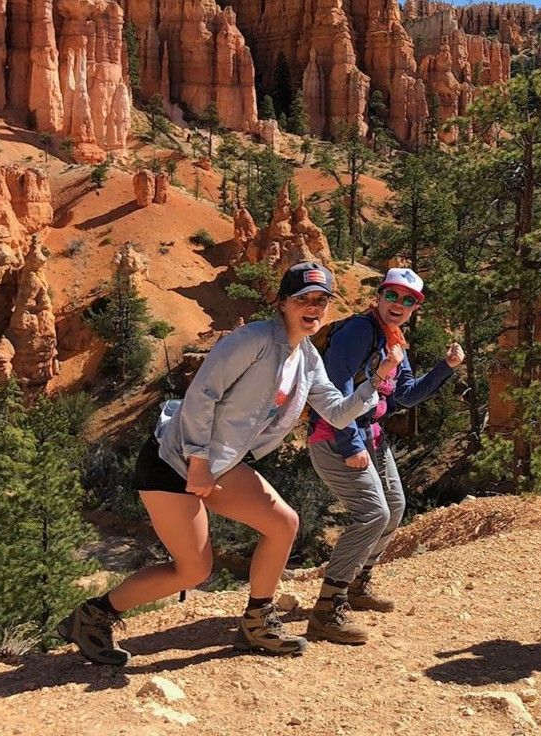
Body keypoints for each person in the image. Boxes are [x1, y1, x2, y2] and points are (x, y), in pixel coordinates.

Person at [58, 262, 393, 665]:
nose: (313, 307)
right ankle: (93, 617)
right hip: (174, 459)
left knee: (283, 523)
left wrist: (374, 382)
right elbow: (202, 396)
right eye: (303, 299)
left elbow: (337, 413)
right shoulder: (252, 340)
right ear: (282, 302)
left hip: (219, 463)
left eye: (321, 301)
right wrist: (198, 463)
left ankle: (258, 621)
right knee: (193, 570)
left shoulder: (305, 358)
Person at [303, 268, 465, 644]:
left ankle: (359, 583)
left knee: (393, 506)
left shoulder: (394, 338)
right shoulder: (359, 331)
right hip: (336, 436)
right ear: (378, 296)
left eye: (409, 300)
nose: (399, 304)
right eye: (393, 295)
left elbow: (405, 395)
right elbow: (333, 390)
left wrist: (446, 367)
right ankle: (328, 607)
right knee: (372, 513)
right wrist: (351, 446)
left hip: (371, 435)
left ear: (415, 308)